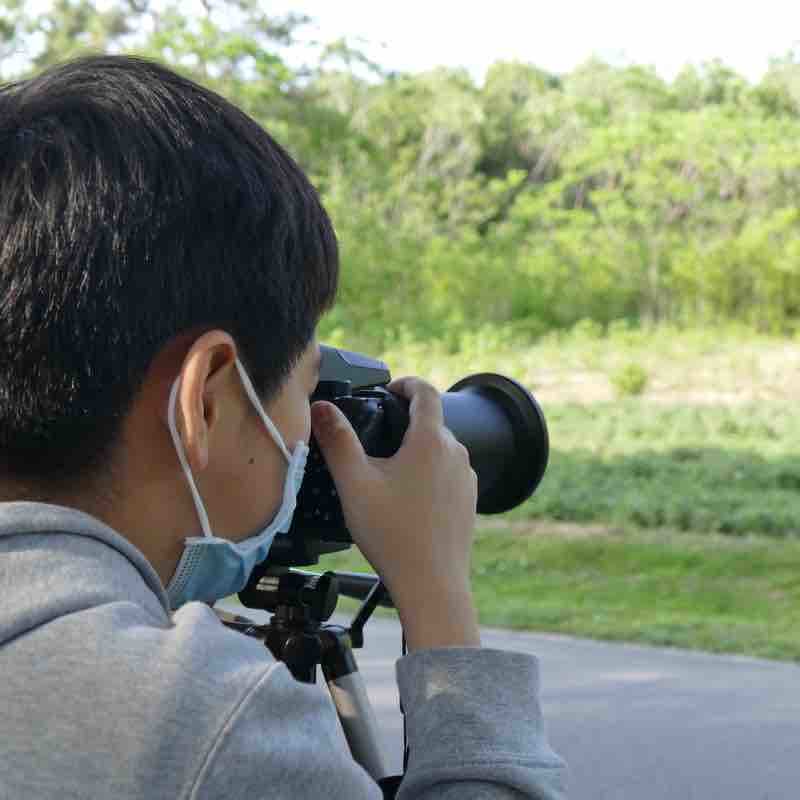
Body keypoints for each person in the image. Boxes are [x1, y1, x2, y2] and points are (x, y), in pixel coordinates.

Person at [0, 54, 567, 799]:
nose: (307, 434)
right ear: (205, 400)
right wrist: (438, 600)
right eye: (307, 391)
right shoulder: (201, 722)